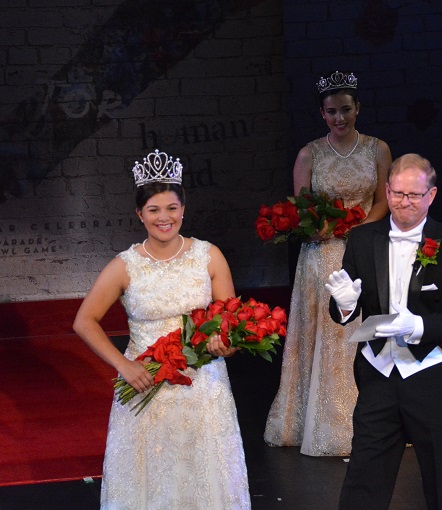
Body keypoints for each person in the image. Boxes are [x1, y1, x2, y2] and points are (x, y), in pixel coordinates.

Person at [73, 149, 251, 509]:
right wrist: (123, 366)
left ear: (183, 209)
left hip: (203, 386)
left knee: (203, 477)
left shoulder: (208, 256)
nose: (164, 217)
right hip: (144, 383)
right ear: (140, 215)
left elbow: (232, 322)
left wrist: (224, 345)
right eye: (153, 210)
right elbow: (83, 321)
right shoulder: (126, 265)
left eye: (171, 208)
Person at [327, 153, 442, 510]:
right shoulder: (362, 240)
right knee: (364, 477)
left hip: (433, 374)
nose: (404, 203)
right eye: (397, 194)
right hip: (379, 372)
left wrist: (420, 326)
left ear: (432, 196)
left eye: (414, 195)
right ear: (386, 190)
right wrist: (346, 304)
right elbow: (342, 313)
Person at [264, 71, 392, 456]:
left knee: (363, 332)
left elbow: (384, 200)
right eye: (332, 112)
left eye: (346, 110)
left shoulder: (377, 149)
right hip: (322, 255)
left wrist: (358, 229)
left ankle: (373, 422)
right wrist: (316, 227)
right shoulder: (310, 154)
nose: (340, 118)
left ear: (358, 109)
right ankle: (321, 422)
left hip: (363, 248)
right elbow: (299, 209)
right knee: (330, 335)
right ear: (322, 114)